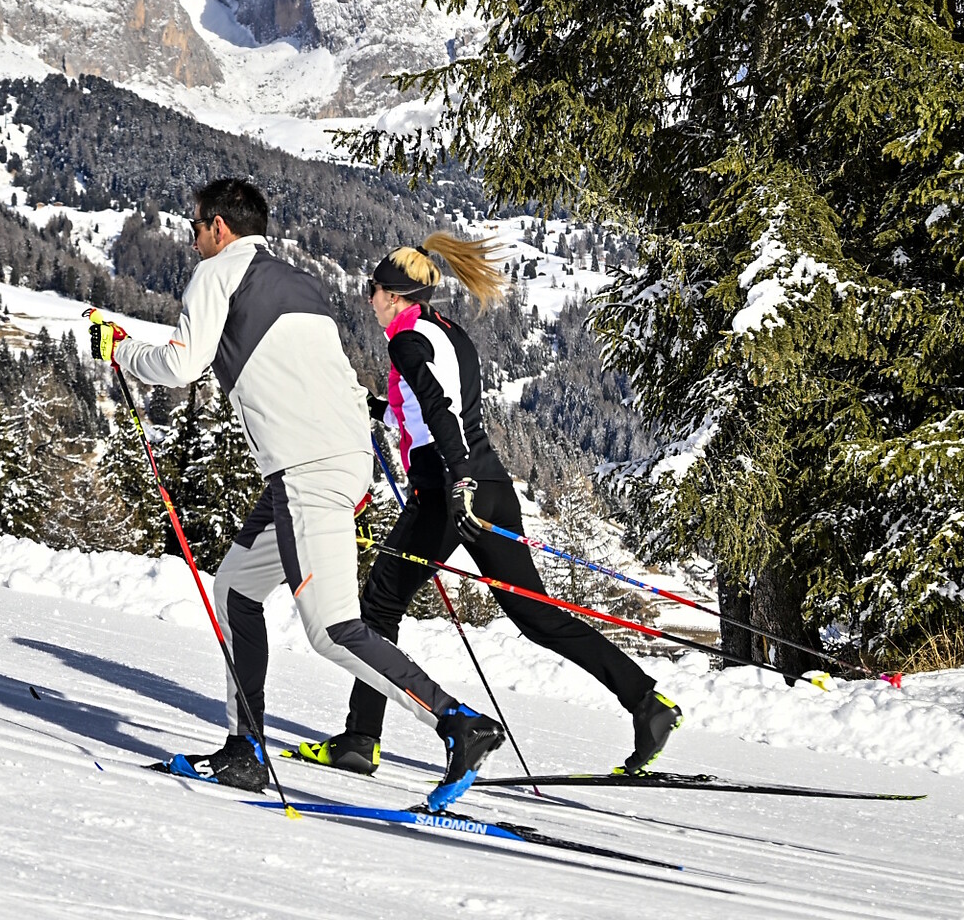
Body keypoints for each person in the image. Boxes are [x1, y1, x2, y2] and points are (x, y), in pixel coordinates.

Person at [88, 179, 504, 812]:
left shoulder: (216, 274)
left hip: (306, 471)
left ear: (219, 228)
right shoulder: (299, 281)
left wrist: (122, 348)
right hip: (325, 466)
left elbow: (181, 365)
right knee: (236, 590)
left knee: (332, 631)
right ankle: (244, 750)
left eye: (195, 224)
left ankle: (458, 724)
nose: (193, 234)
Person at [290, 233, 682, 778]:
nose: (368, 298)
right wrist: (372, 409)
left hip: (452, 490)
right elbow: (427, 415)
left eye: (373, 289)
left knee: (379, 605)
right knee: (536, 614)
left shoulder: (406, 341)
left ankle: (360, 740)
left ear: (397, 295)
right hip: (489, 483)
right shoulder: (447, 332)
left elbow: (437, 407)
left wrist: (459, 481)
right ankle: (646, 702)